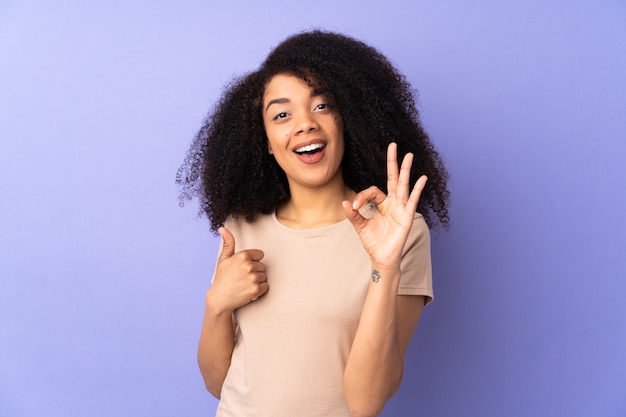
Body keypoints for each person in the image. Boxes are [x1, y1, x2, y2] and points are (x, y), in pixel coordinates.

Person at [177, 30, 450, 417]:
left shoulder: (400, 231)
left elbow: (365, 402)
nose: (304, 124)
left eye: (322, 106)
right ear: (267, 141)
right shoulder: (242, 227)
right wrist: (217, 305)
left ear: (347, 119)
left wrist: (384, 268)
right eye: (282, 114)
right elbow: (218, 384)